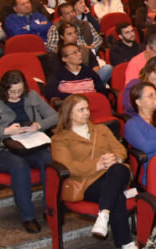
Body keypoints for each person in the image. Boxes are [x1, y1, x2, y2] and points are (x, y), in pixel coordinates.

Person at [50, 95, 135, 249]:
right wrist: (96, 165)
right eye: (81, 110)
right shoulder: (60, 139)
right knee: (116, 194)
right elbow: (68, 167)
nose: (87, 113)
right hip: (86, 182)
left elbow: (121, 150)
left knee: (118, 169)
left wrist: (114, 158)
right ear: (69, 113)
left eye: (87, 108)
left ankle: (103, 215)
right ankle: (126, 243)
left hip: (113, 171)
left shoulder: (101, 129)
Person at [0, 71, 58, 233]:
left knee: (48, 161)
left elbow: (55, 116)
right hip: (2, 148)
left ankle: (49, 209)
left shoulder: (32, 96)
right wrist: (5, 130)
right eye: (13, 92)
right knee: (19, 166)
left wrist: (39, 125)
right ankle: (28, 217)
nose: (17, 95)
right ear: (4, 89)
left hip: (30, 143)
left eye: (20, 91)